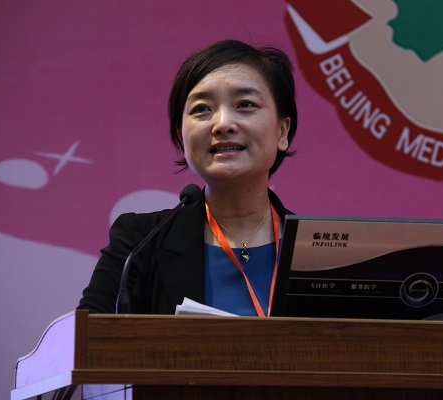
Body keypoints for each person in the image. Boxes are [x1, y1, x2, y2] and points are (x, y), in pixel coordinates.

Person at [78, 39, 298, 316]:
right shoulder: (139, 244)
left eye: (245, 104)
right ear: (181, 137)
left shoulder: (319, 250)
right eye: (202, 109)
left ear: (282, 131)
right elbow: (81, 335)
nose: (223, 125)